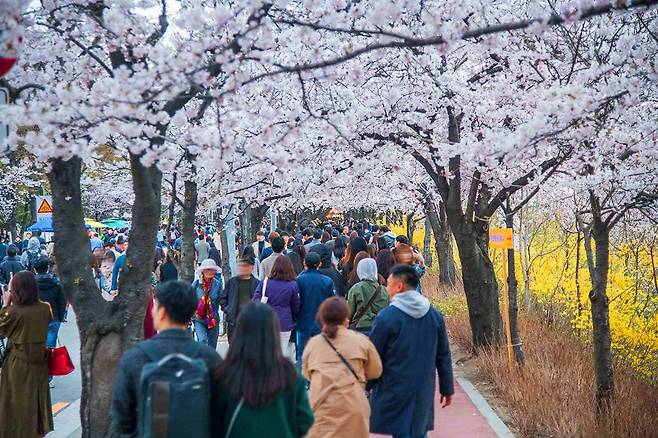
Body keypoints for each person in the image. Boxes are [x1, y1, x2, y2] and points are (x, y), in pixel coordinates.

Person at [112, 280, 222, 436]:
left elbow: (122, 420)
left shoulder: (135, 358)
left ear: (162, 312)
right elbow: (221, 416)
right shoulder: (210, 358)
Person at [368, 265, 454, 438]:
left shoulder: (387, 318)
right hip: (423, 387)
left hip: (394, 387)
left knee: (402, 431)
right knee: (419, 430)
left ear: (399, 286)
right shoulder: (434, 315)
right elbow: (443, 355)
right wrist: (446, 388)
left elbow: (374, 357)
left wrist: (367, 385)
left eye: (389, 283)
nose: (387, 288)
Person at [211, 302, 314, 438]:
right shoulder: (290, 374)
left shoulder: (223, 375)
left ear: (239, 333)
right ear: (273, 333)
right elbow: (305, 422)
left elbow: (213, 425)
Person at [302, 297, 382, 438]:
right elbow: (375, 371)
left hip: (320, 406)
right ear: (346, 319)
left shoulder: (313, 344)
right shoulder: (361, 341)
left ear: (322, 319)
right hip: (353, 406)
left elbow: (306, 374)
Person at [0, 271, 54, 437]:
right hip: (40, 363)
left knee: (15, 402)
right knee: (37, 400)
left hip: (18, 363)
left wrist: (5, 305)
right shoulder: (45, 308)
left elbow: (1, 328)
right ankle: (37, 432)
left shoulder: (14, 312)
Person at [253, 256, 300, 359]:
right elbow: (296, 306)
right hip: (285, 322)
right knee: (282, 352)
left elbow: (255, 300)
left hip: (267, 322)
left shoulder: (266, 282)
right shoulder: (292, 285)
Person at [295, 252, 335, 370]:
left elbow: (295, 302)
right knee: (321, 355)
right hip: (322, 324)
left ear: (304, 263)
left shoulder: (299, 280)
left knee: (302, 354)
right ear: (320, 264)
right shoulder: (327, 281)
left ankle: (302, 379)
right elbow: (333, 303)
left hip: (303, 323)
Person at [220, 257, 260, 343]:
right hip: (234, 320)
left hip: (252, 321)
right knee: (234, 346)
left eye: (246, 266)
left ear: (251, 267)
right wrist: (228, 309)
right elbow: (223, 299)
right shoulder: (231, 282)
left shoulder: (257, 283)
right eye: (241, 266)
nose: (243, 268)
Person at [347, 258, 389, 335]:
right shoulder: (384, 290)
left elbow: (349, 312)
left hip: (360, 327)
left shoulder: (356, 288)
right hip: (379, 326)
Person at [34, 257, 67, 352]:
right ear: (48, 268)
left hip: (34, 317)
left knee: (36, 345)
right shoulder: (56, 283)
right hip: (53, 316)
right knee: (50, 346)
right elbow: (62, 301)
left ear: (35, 269)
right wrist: (60, 317)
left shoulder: (30, 283)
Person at [192, 259, 223, 349]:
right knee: (202, 340)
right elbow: (189, 298)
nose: (210, 272)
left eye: (212, 269)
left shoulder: (218, 284)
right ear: (203, 271)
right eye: (208, 269)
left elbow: (221, 300)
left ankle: (211, 358)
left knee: (212, 345)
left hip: (213, 319)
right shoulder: (196, 284)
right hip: (199, 319)